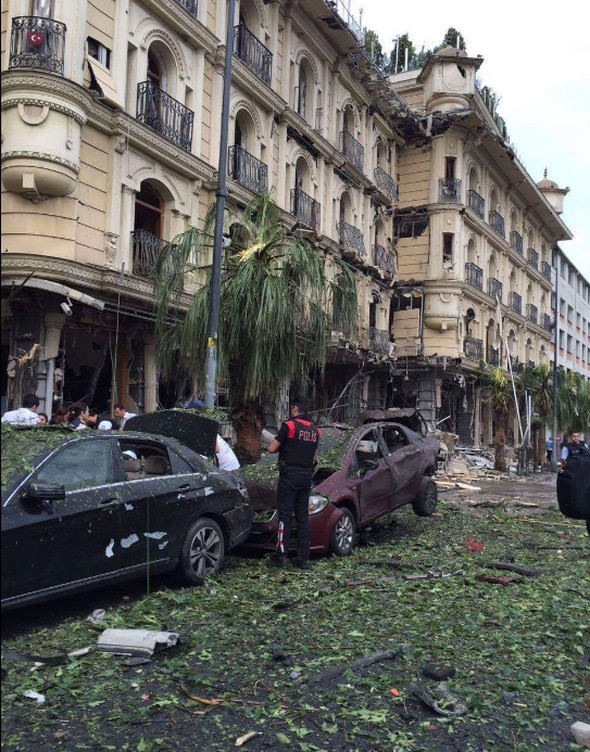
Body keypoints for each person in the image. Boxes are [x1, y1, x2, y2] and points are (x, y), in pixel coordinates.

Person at [266, 398, 320, 570]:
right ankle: (303, 559)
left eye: (292, 408)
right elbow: (314, 457)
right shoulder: (316, 430)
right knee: (303, 517)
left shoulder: (289, 426)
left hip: (289, 476)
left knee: (285, 517)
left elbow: (271, 448)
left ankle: (281, 557)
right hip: (306, 477)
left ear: (296, 409)